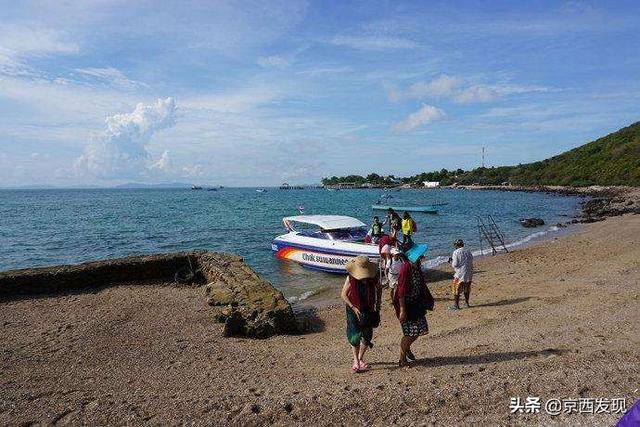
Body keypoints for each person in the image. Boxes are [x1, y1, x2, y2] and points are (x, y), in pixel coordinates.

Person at [341, 256, 382, 373]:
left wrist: (378, 304)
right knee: (354, 335)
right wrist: (353, 307)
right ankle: (356, 361)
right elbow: (343, 295)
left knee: (368, 334)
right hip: (353, 309)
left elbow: (379, 288)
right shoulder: (351, 278)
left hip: (369, 308)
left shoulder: (373, 276)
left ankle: (360, 357)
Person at [393, 254, 432, 366]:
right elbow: (401, 292)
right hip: (407, 306)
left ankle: (406, 349)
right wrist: (402, 310)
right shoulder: (406, 268)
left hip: (416, 305)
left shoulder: (417, 268)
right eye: (419, 257)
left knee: (417, 332)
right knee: (411, 333)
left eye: (421, 257)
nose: (421, 259)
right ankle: (402, 359)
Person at [449, 239, 474, 310]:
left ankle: (456, 305)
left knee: (456, 289)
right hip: (469, 272)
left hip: (460, 273)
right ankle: (466, 303)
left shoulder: (456, 252)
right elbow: (471, 259)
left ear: (456, 245)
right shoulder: (468, 251)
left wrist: (451, 262)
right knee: (467, 288)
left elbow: (455, 264)